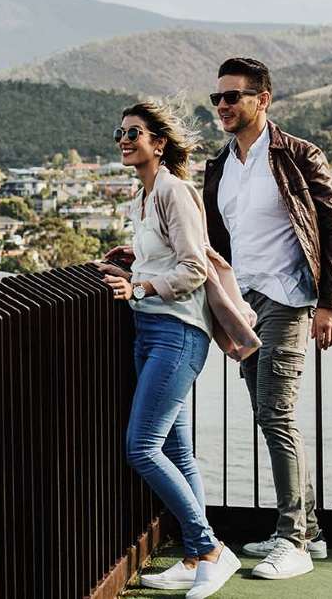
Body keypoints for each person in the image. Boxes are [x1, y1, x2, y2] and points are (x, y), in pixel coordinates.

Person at [203, 57, 332, 580]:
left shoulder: (299, 155)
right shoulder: (219, 165)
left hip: (288, 297)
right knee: (267, 413)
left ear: (262, 100)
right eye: (217, 98)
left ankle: (293, 541)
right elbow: (216, 242)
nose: (222, 106)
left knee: (275, 412)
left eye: (233, 97)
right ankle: (309, 527)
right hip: (242, 304)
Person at [100, 100, 240, 599]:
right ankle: (192, 556)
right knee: (176, 449)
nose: (124, 138)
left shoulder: (174, 191)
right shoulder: (144, 196)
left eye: (134, 132)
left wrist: (138, 288)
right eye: (120, 131)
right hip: (150, 332)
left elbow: (194, 269)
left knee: (141, 447)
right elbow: (165, 259)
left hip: (177, 334)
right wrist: (134, 263)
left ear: (158, 143)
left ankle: (210, 550)